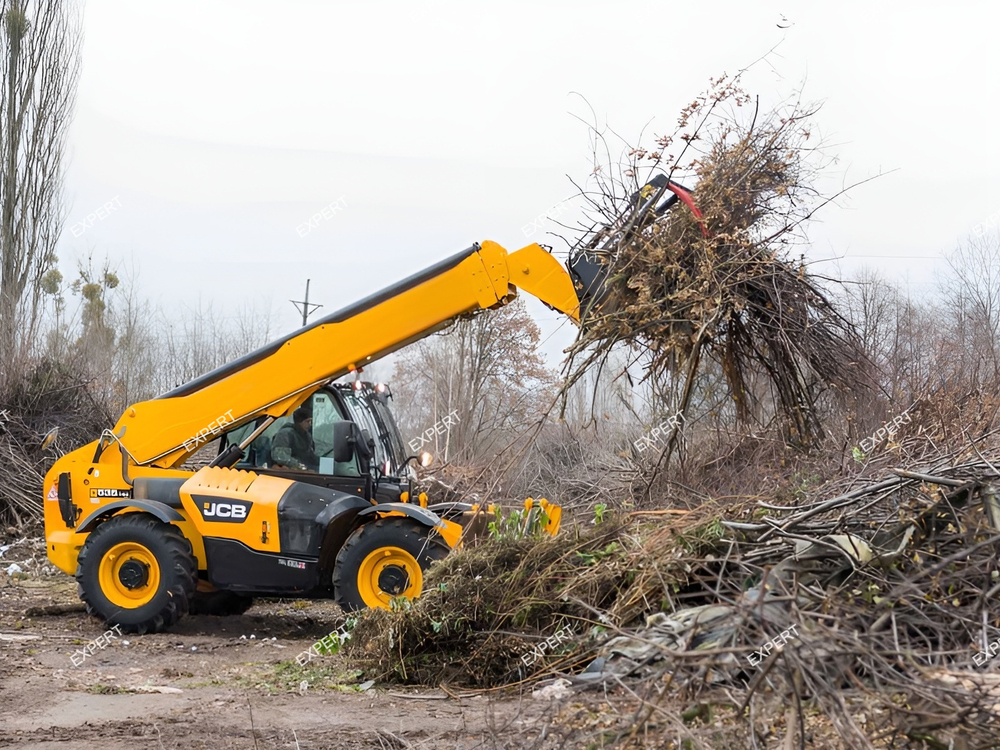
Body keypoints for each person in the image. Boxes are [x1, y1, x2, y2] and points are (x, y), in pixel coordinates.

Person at [270, 406, 319, 471]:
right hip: (287, 471)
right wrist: (299, 465)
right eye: (307, 421)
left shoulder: (306, 435)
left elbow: (310, 455)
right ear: (299, 422)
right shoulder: (285, 434)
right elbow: (281, 457)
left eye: (311, 421)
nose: (310, 424)